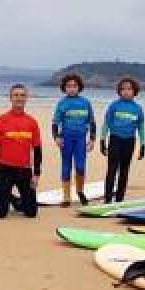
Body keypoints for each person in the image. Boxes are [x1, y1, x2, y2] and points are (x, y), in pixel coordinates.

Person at [0, 84, 43, 218]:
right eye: (16, 95)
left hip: (25, 170)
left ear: (26, 98)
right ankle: (1, 197)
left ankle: (8, 197)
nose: (19, 98)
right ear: (10, 98)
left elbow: (37, 149)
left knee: (31, 213)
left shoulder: (32, 122)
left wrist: (36, 174)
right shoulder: (0, 120)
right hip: (5, 169)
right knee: (0, 214)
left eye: (22, 95)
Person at [51, 73, 97, 206]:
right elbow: (55, 123)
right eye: (68, 86)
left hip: (81, 139)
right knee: (66, 167)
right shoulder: (62, 103)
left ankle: (80, 192)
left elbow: (92, 122)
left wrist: (92, 139)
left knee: (80, 167)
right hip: (66, 139)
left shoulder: (85, 102)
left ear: (79, 87)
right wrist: (56, 137)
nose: (71, 88)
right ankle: (66, 197)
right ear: (64, 88)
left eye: (74, 86)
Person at [99, 76, 145, 203]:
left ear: (134, 91)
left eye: (129, 89)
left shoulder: (138, 108)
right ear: (119, 91)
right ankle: (107, 200)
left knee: (124, 171)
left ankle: (119, 200)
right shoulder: (114, 106)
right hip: (115, 140)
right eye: (123, 89)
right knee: (112, 170)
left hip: (129, 141)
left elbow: (141, 127)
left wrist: (143, 145)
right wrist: (102, 141)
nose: (126, 91)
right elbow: (106, 124)